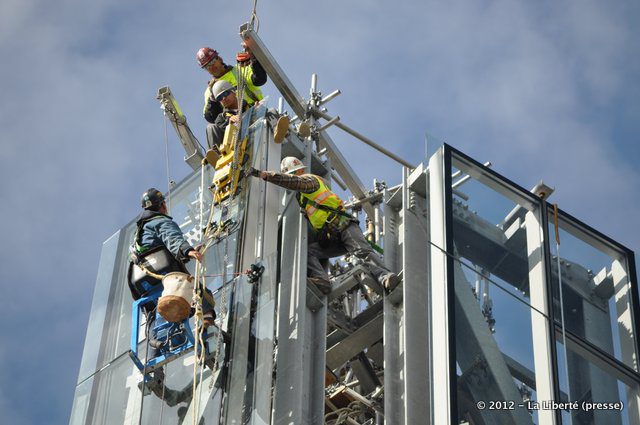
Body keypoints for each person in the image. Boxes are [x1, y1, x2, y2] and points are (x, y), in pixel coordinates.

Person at [247, 157, 400, 295]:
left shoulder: (310, 181)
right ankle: (322, 281)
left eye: (296, 172)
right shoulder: (303, 199)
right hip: (332, 236)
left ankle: (385, 277)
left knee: (363, 253)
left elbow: (294, 182)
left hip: (344, 226)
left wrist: (265, 175)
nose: (297, 174)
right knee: (308, 252)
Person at [128, 188, 216, 327]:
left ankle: (156, 340)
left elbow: (157, 251)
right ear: (162, 205)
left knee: (156, 322)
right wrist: (187, 251)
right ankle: (207, 321)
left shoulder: (138, 235)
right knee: (203, 293)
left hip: (142, 284)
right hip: (164, 274)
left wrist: (186, 254)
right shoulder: (160, 221)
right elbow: (172, 238)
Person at [196, 46, 267, 125]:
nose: (211, 67)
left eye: (212, 62)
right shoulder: (210, 90)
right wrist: (212, 99)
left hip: (257, 111)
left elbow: (260, 79)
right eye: (207, 66)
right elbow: (211, 117)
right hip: (237, 125)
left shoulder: (240, 70)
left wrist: (253, 58)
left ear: (219, 58)